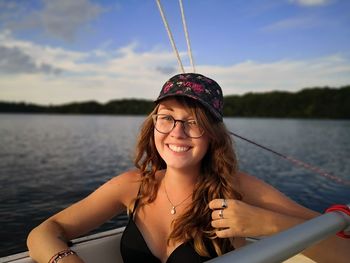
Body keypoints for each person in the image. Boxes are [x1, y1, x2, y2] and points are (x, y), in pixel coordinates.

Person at [27, 73, 349, 263]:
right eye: (167, 117)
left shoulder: (239, 188)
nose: (177, 133)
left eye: (193, 121)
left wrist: (267, 224)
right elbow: (45, 231)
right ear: (153, 125)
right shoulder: (132, 186)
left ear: (213, 135)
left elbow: (341, 250)